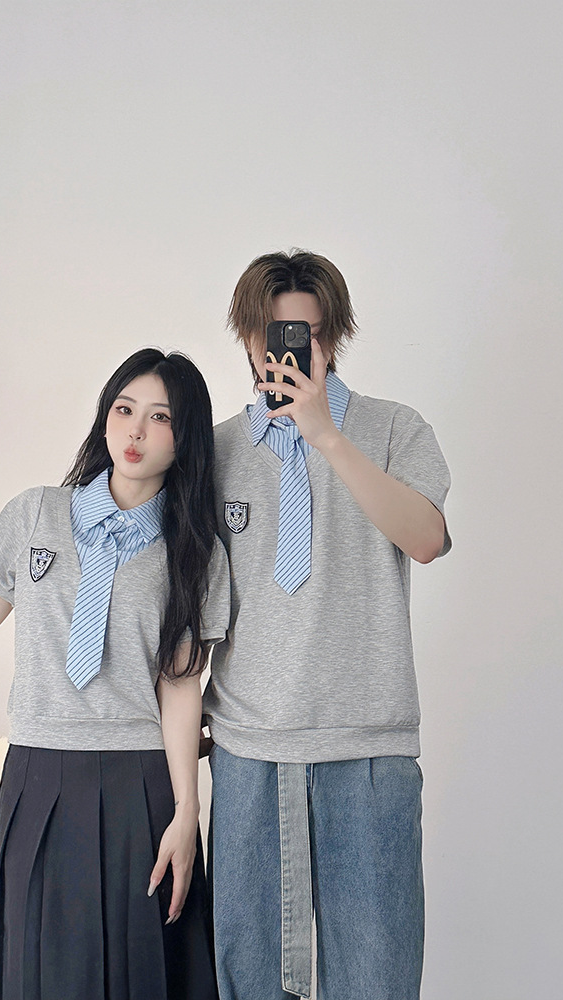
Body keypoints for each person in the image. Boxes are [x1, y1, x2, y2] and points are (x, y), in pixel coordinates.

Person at [0, 348, 229, 1000]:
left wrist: (186, 812)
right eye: (124, 409)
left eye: (160, 417)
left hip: (139, 780)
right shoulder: (37, 513)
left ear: (184, 436)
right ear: (105, 417)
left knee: (141, 972)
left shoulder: (195, 549)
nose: (136, 431)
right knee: (40, 969)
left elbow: (179, 685)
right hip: (38, 771)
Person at [203, 250, 451, 1000]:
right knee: (249, 984)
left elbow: (427, 539)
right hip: (247, 750)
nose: (283, 351)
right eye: (268, 333)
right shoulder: (216, 450)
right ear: (246, 337)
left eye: (304, 334)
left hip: (366, 744)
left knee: (376, 981)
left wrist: (327, 438)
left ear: (333, 337)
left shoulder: (392, 428)